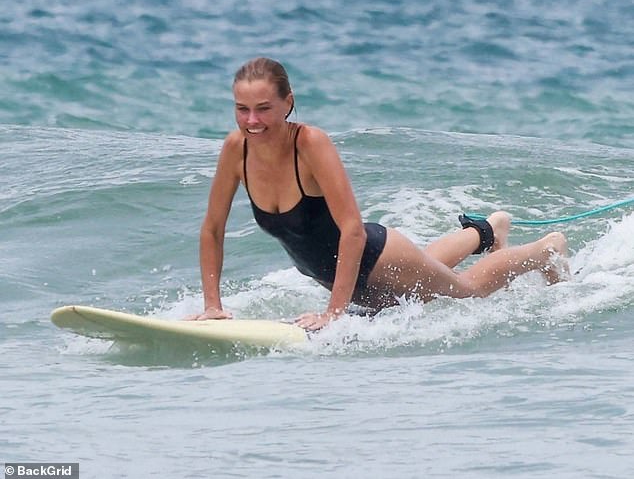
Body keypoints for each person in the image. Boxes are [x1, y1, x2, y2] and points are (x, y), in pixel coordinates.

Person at [188, 57, 568, 330]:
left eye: (263, 108)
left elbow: (351, 230)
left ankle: (547, 248)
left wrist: (333, 315)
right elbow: (212, 229)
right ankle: (486, 231)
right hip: (351, 278)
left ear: (288, 102)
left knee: (468, 291)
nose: (252, 120)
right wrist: (212, 307)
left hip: (378, 258)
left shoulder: (311, 144)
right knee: (430, 268)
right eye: (242, 109)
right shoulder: (235, 149)